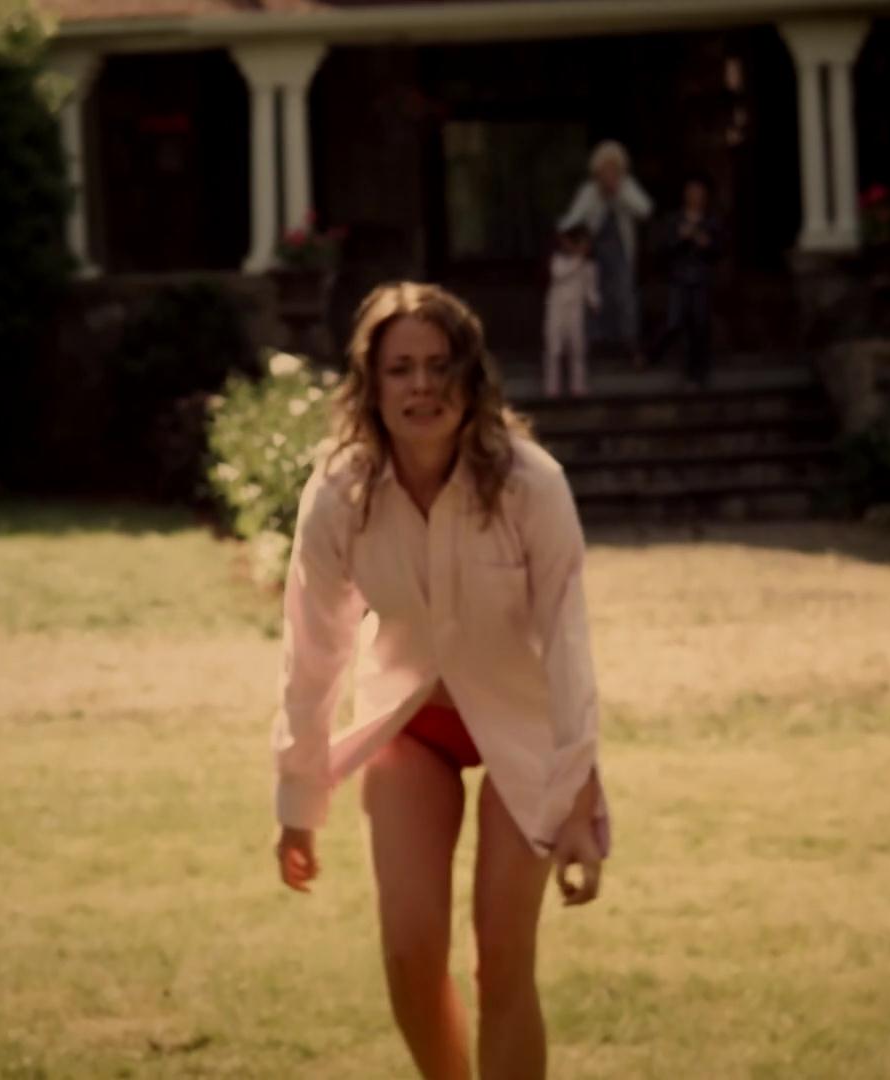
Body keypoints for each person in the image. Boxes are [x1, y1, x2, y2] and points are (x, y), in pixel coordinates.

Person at [273, 281, 611, 1080]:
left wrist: (578, 801)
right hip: (411, 727)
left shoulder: (532, 484)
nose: (422, 386)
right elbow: (313, 651)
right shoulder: (340, 490)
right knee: (408, 956)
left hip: (527, 732)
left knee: (503, 959)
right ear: (372, 383)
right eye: (400, 369)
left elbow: (568, 645)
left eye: (439, 365)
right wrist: (297, 801)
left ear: (471, 375)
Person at [557, 140, 653, 366]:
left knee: (625, 298)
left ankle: (631, 347)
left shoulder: (626, 187)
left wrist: (618, 192)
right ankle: (590, 349)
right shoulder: (589, 191)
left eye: (614, 168)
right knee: (592, 300)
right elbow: (571, 220)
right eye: (605, 168)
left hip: (621, 257)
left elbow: (645, 210)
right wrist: (572, 238)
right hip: (595, 257)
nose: (609, 173)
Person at [648, 173, 727, 387]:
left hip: (701, 278)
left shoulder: (712, 221)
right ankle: (652, 355)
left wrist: (707, 244)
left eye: (699, 193)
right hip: (679, 278)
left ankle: (699, 372)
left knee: (700, 324)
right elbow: (662, 249)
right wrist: (680, 238)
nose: (695, 196)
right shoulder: (674, 220)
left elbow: (720, 250)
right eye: (691, 192)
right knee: (674, 321)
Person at [542, 225, 600, 398]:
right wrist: (578, 258)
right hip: (557, 309)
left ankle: (578, 386)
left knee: (577, 348)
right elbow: (558, 274)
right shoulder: (558, 260)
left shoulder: (589, 266)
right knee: (554, 349)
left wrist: (594, 302)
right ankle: (552, 387)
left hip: (576, 311)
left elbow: (590, 289)